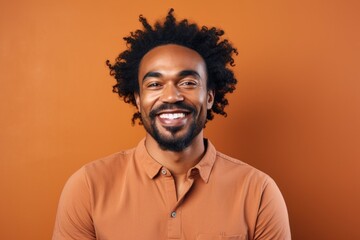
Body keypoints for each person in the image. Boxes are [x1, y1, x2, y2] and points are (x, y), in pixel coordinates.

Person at [52, 9, 291, 240]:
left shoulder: (259, 192)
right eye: (155, 84)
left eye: (187, 82)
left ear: (209, 96)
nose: (171, 96)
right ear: (137, 99)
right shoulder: (88, 188)